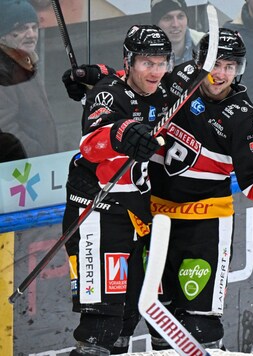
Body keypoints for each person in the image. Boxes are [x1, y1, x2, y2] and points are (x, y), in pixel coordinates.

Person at [145, 28, 253, 350]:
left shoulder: (244, 116)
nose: (221, 74)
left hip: (204, 225)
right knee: (159, 319)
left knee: (199, 323)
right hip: (153, 219)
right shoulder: (178, 79)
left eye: (231, 67)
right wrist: (99, 79)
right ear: (200, 62)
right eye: (216, 64)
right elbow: (135, 82)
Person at [61, 24, 171, 355]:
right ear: (130, 62)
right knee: (102, 326)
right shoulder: (108, 93)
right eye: (147, 63)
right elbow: (92, 144)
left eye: (161, 62)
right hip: (98, 211)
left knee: (154, 314)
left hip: (143, 212)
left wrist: (96, 69)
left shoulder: (166, 90)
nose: (155, 71)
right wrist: (122, 133)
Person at [0, 0, 58, 158]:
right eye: (22, 28)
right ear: (3, 36)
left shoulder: (26, 63)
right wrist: (37, 153)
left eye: (34, 27)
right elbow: (6, 128)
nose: (31, 34)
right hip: (23, 170)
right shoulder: (4, 73)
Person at [151, 0, 205, 65]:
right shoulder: (146, 53)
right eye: (167, 18)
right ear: (156, 25)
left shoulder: (206, 43)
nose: (176, 24)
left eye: (180, 16)